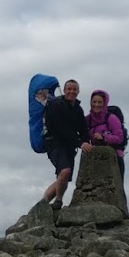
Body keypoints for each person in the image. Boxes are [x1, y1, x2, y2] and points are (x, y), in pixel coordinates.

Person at [41, 78, 92, 209]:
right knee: (65, 171)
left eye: (74, 89)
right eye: (69, 89)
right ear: (64, 91)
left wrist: (86, 141)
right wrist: (80, 143)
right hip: (55, 143)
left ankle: (42, 204)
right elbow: (61, 129)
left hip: (69, 146)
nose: (72, 91)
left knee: (63, 177)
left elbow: (83, 129)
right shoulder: (56, 105)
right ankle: (58, 201)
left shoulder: (78, 109)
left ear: (78, 91)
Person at [84, 89, 125, 182]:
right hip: (95, 157)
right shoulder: (88, 119)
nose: (96, 105)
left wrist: (104, 137)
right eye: (94, 102)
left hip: (115, 158)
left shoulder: (111, 118)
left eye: (100, 102)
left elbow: (120, 138)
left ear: (105, 103)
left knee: (116, 190)